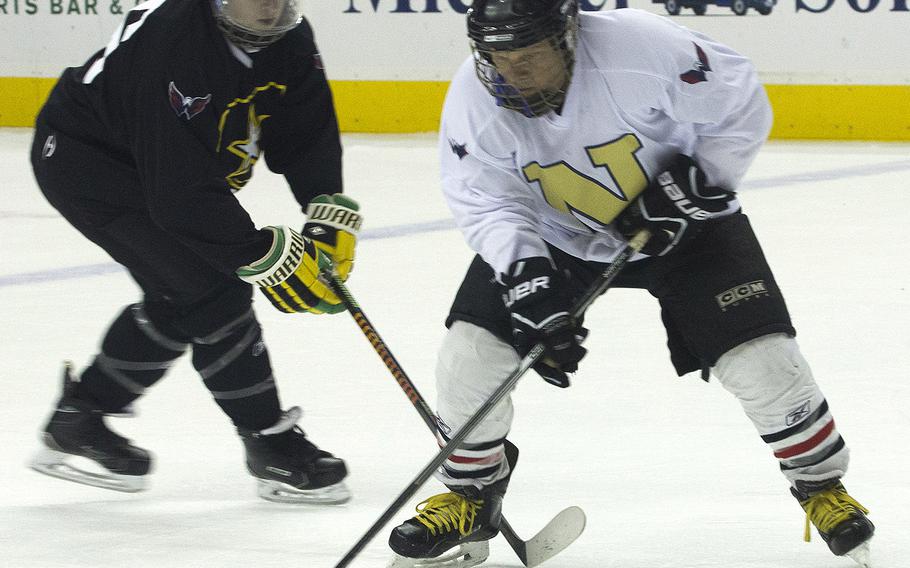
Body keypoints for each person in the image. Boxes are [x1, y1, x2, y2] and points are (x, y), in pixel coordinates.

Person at [387, 1, 874, 566]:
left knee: (763, 360)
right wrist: (525, 273)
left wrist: (699, 182)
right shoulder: (475, 100)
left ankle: (820, 486)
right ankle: (470, 495)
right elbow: (482, 197)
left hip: (683, 223)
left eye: (528, 58)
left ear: (567, 37)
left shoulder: (639, 48)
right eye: (498, 59)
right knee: (470, 357)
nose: (510, 74)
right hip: (557, 233)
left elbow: (738, 97)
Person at [28, 0, 362, 505]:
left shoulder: (289, 36)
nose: (272, 7)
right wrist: (263, 256)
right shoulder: (171, 41)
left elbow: (304, 129)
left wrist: (325, 207)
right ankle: (268, 442)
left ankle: (80, 419)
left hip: (156, 171)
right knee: (213, 294)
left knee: (180, 295)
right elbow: (179, 193)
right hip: (90, 166)